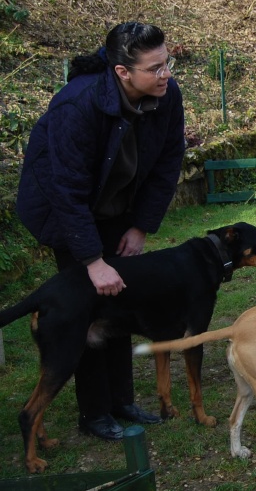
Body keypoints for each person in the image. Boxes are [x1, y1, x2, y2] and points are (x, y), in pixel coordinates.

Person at [16, 22, 186, 441]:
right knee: (87, 311)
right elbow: (66, 190)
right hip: (64, 213)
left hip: (118, 209)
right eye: (155, 68)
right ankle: (94, 414)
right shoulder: (76, 106)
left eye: (167, 63)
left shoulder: (168, 96)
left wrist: (141, 227)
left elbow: (167, 165)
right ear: (122, 72)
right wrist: (92, 261)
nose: (166, 74)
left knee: (122, 301)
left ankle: (122, 401)